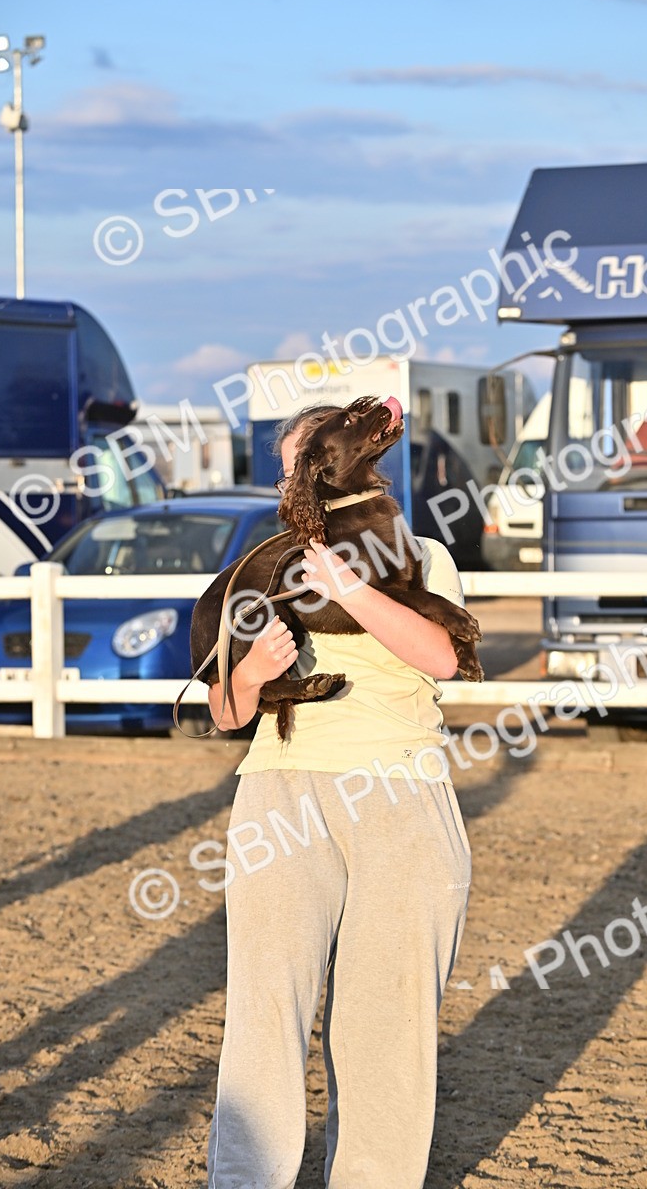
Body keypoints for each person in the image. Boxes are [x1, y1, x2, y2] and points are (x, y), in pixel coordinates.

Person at [206, 404, 473, 1189]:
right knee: (265, 1009)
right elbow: (224, 712)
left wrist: (349, 589)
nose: (297, 482)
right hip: (282, 796)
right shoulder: (260, 570)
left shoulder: (419, 556)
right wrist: (251, 675)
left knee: (386, 1021)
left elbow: (442, 658)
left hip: (403, 798)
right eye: (286, 468)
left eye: (306, 465)